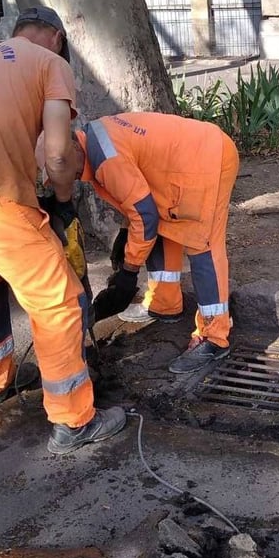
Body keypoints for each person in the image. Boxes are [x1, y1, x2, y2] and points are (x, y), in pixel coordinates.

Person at [0, 5, 126, 455]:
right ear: (55, 37)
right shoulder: (52, 64)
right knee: (60, 301)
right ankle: (73, 421)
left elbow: (4, 135)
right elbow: (55, 154)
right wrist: (63, 199)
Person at [77, 112, 239, 374]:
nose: (70, 180)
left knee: (203, 245)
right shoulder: (95, 139)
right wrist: (124, 231)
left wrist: (128, 272)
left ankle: (214, 337)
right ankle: (164, 303)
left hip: (207, 161)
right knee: (162, 227)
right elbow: (136, 192)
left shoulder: (107, 161)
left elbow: (144, 214)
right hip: (183, 162)